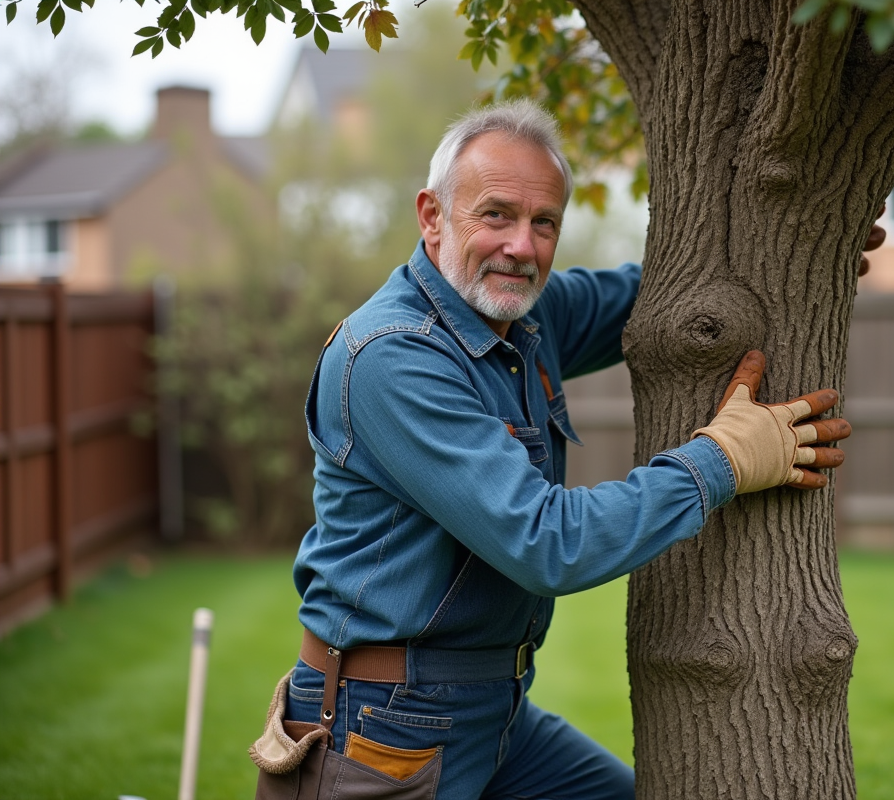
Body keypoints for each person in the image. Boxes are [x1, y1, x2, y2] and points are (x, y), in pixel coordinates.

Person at [250, 99, 857, 800]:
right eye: (497, 215)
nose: (523, 246)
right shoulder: (392, 357)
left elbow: (662, 296)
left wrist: (799, 244)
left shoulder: (525, 315)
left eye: (545, 224)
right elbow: (546, 544)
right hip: (384, 730)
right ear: (432, 216)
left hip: (498, 715)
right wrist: (719, 461)